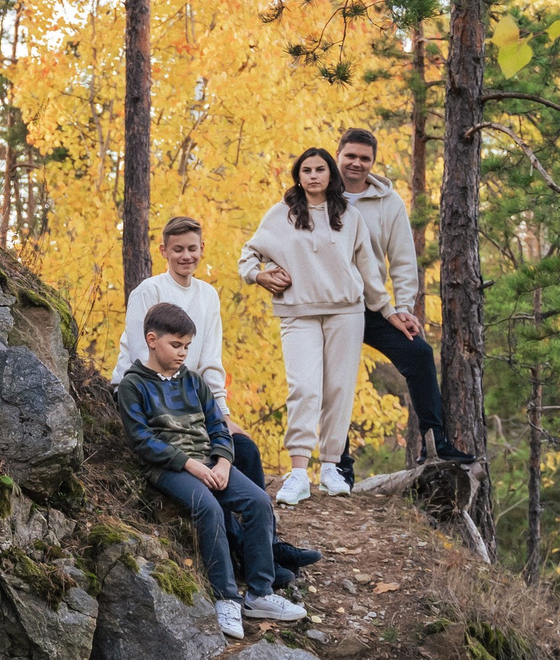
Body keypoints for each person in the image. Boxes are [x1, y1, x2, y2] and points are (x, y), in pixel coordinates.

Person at [115, 301, 306, 639]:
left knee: (259, 500)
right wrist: (191, 466)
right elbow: (142, 440)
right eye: (176, 345)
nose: (182, 353)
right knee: (209, 507)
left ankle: (260, 593)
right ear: (151, 339)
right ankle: (226, 597)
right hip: (168, 467)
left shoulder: (194, 382)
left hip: (208, 461)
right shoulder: (133, 385)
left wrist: (222, 462)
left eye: (187, 346)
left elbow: (218, 426)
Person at [239, 146, 388, 506]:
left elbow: (368, 267)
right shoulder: (280, 216)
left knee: (338, 389)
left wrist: (385, 307)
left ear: (331, 175)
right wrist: (259, 276)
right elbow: (249, 254)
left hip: (346, 312)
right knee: (304, 388)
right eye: (306, 170)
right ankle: (298, 472)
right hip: (297, 311)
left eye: (320, 169)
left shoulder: (349, 216)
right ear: (298, 176)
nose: (313, 176)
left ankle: (332, 467)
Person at [333, 128, 473, 478]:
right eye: (350, 155)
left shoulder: (388, 202)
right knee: (336, 380)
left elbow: (404, 261)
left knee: (419, 354)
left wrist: (404, 309)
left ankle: (435, 443)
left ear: (373, 163)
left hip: (374, 306)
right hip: (331, 306)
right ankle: (340, 466)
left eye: (365, 158)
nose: (357, 163)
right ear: (338, 155)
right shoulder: (320, 193)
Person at [114, 215, 265, 487]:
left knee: (244, 449)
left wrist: (221, 414)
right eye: (178, 249)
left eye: (192, 248)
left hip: (191, 397)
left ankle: (260, 527)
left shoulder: (208, 296)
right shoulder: (149, 291)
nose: (186, 256)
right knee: (206, 452)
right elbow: (142, 357)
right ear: (164, 251)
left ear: (202, 249)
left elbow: (210, 360)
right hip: (147, 395)